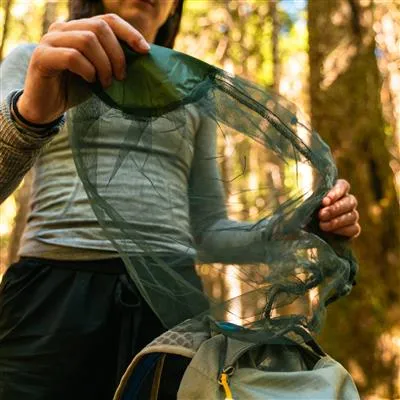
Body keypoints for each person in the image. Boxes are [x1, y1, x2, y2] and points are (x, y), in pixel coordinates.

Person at [0, 0, 361, 399]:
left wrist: (299, 228)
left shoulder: (190, 91)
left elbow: (207, 232)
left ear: (175, 9)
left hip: (170, 305)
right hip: (51, 294)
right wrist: (30, 114)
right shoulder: (38, 60)